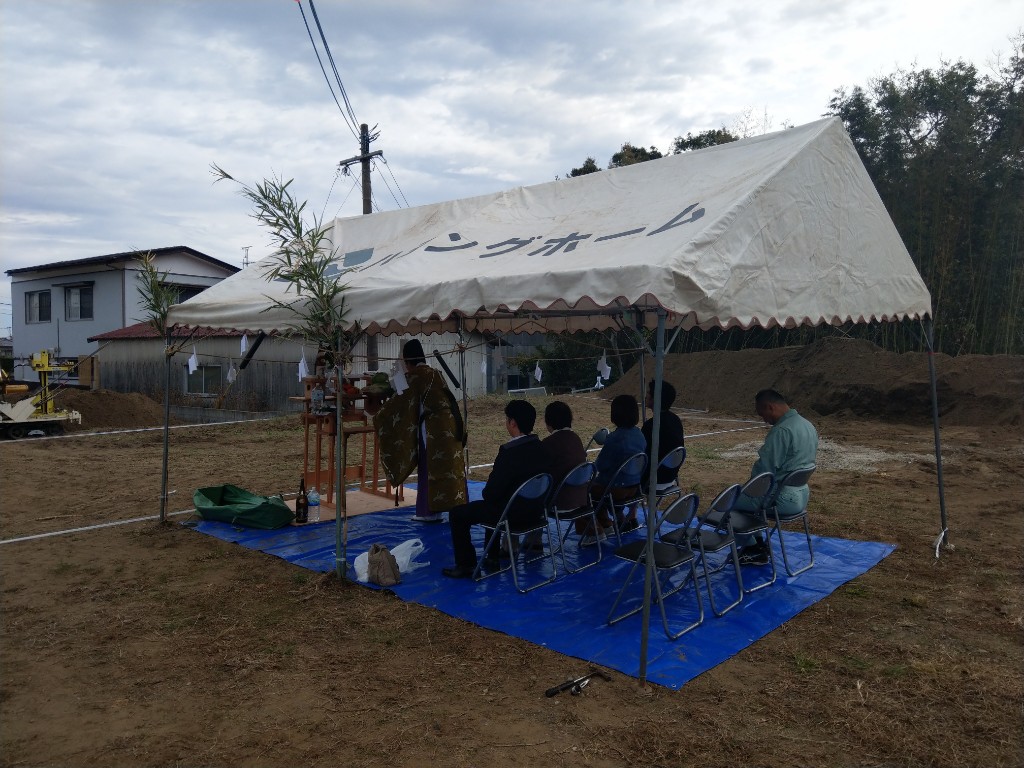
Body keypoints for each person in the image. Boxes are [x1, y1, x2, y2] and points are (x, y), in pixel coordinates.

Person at [442, 400, 550, 578]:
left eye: (507, 419)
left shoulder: (509, 452)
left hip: (511, 516)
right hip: (536, 513)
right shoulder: (542, 448)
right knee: (496, 504)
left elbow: (490, 492)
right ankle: (491, 557)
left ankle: (466, 565)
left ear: (512, 423)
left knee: (458, 514)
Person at [374, 339, 467, 523]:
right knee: (452, 467)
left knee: (429, 467)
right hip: (452, 424)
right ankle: (457, 509)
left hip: (432, 428)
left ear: (407, 360)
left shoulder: (415, 376)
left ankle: (428, 513)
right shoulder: (436, 373)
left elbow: (399, 403)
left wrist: (378, 416)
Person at [734, 389, 819, 566]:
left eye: (762, 414)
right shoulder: (807, 425)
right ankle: (758, 544)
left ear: (770, 407)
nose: (764, 420)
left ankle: (752, 549)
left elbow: (764, 472)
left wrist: (745, 490)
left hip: (781, 498)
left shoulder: (781, 431)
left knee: (729, 502)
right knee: (748, 500)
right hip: (801, 494)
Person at [581, 393, 647, 545]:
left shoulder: (614, 438)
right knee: (602, 488)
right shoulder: (639, 434)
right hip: (635, 488)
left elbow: (600, 465)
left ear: (615, 414)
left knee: (585, 490)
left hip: (616, 490)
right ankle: (616, 520)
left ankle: (598, 528)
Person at [640, 380, 685, 490]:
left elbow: (641, 455)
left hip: (652, 479)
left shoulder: (651, 425)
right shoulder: (675, 419)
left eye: (649, 393)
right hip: (671, 476)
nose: (646, 396)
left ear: (655, 398)